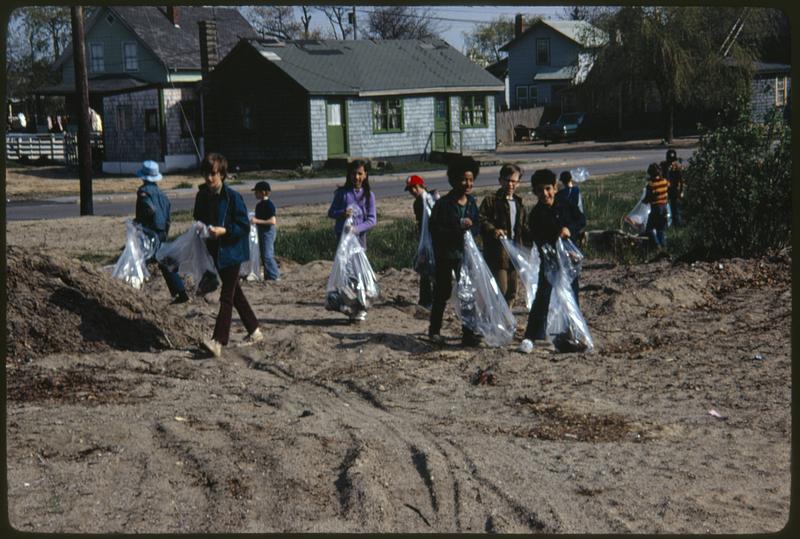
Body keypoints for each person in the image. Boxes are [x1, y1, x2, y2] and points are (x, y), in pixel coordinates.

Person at [193, 153, 262, 358]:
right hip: (215, 250)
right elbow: (197, 216)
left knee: (227, 296)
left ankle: (218, 341)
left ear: (222, 174)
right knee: (235, 293)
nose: (209, 178)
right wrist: (202, 228)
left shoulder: (233, 197)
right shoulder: (202, 195)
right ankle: (255, 330)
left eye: (213, 174)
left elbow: (243, 224)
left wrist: (225, 231)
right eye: (206, 174)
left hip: (232, 251)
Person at [518, 168, 586, 354]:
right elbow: (539, 241)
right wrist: (553, 248)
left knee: (571, 296)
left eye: (548, 189)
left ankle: (571, 333)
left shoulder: (565, 204)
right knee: (542, 297)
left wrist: (569, 230)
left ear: (555, 188)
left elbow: (581, 220)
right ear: (534, 193)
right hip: (550, 263)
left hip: (569, 263)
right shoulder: (536, 215)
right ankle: (532, 335)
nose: (545, 194)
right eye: (539, 190)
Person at [428, 156, 482, 347]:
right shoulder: (443, 205)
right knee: (442, 293)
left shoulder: (472, 203)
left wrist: (471, 228)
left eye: (470, 179)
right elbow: (435, 230)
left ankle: (468, 333)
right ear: (453, 181)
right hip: (446, 255)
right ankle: (434, 331)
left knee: (468, 293)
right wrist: (457, 227)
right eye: (463, 179)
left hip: (465, 256)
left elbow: (477, 225)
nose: (467, 183)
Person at [133, 160, 189, 304]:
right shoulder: (163, 195)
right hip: (162, 232)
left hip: (149, 231)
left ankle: (136, 293)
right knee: (165, 261)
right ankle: (181, 292)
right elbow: (168, 218)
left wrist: (138, 224)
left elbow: (147, 210)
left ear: (144, 177)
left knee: (139, 260)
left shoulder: (143, 193)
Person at [478, 163, 525, 307]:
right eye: (507, 180)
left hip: (514, 254)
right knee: (500, 290)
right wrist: (493, 230)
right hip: (497, 254)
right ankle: (498, 322)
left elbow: (523, 228)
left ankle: (507, 320)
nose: (510, 184)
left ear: (518, 182)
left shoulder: (519, 203)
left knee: (512, 291)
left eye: (514, 181)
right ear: (500, 181)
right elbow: (480, 219)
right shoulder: (491, 200)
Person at [327, 159, 377, 249]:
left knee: (358, 262)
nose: (356, 177)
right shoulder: (342, 193)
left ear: (365, 175)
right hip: (342, 239)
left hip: (360, 239)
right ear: (349, 175)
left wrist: (355, 229)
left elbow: (372, 220)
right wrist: (342, 213)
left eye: (360, 174)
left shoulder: (369, 196)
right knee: (343, 262)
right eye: (353, 173)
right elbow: (331, 212)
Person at [406, 174, 438, 308]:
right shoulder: (421, 201)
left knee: (430, 270)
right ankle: (427, 300)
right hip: (427, 240)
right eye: (410, 189)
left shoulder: (428, 199)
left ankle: (430, 299)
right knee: (427, 269)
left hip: (433, 239)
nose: (412, 191)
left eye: (414, 188)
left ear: (420, 186)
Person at [250, 180, 280, 281]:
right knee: (263, 255)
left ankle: (275, 275)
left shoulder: (269, 205)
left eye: (256, 192)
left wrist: (257, 221)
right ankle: (269, 276)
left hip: (268, 232)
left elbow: (272, 221)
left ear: (263, 192)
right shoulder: (259, 205)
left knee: (268, 255)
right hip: (261, 231)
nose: (255, 194)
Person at [644, 162, 669, 249]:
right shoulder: (665, 182)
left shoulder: (651, 185)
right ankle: (663, 246)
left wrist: (644, 201)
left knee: (649, 228)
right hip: (664, 207)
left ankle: (656, 244)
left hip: (656, 208)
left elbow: (648, 198)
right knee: (661, 229)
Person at [660, 149, 684, 227]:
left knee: (676, 208)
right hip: (665, 189)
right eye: (670, 161)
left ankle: (677, 224)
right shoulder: (663, 166)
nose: (671, 163)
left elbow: (681, 180)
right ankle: (666, 224)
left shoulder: (677, 167)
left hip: (674, 189)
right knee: (664, 208)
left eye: (672, 161)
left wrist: (681, 191)